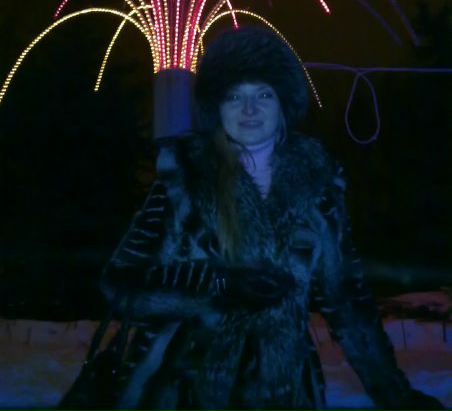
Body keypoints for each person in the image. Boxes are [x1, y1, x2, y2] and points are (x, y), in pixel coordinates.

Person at [96, 27, 444, 410]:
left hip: (287, 391)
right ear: (217, 107)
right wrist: (219, 287)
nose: (249, 109)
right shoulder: (184, 177)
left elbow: (348, 304)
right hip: (187, 390)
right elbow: (121, 282)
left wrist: (395, 395)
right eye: (234, 96)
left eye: (263, 94)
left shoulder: (317, 184)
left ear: (282, 103)